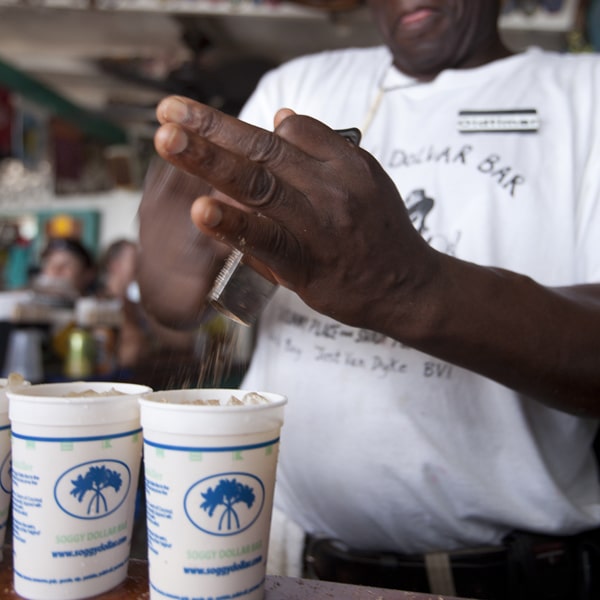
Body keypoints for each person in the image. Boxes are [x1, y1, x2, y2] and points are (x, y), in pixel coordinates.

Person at [137, 1, 600, 598]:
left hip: (510, 581)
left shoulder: (584, 96)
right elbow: (184, 290)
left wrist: (408, 288)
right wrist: (172, 269)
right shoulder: (299, 86)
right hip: (286, 561)